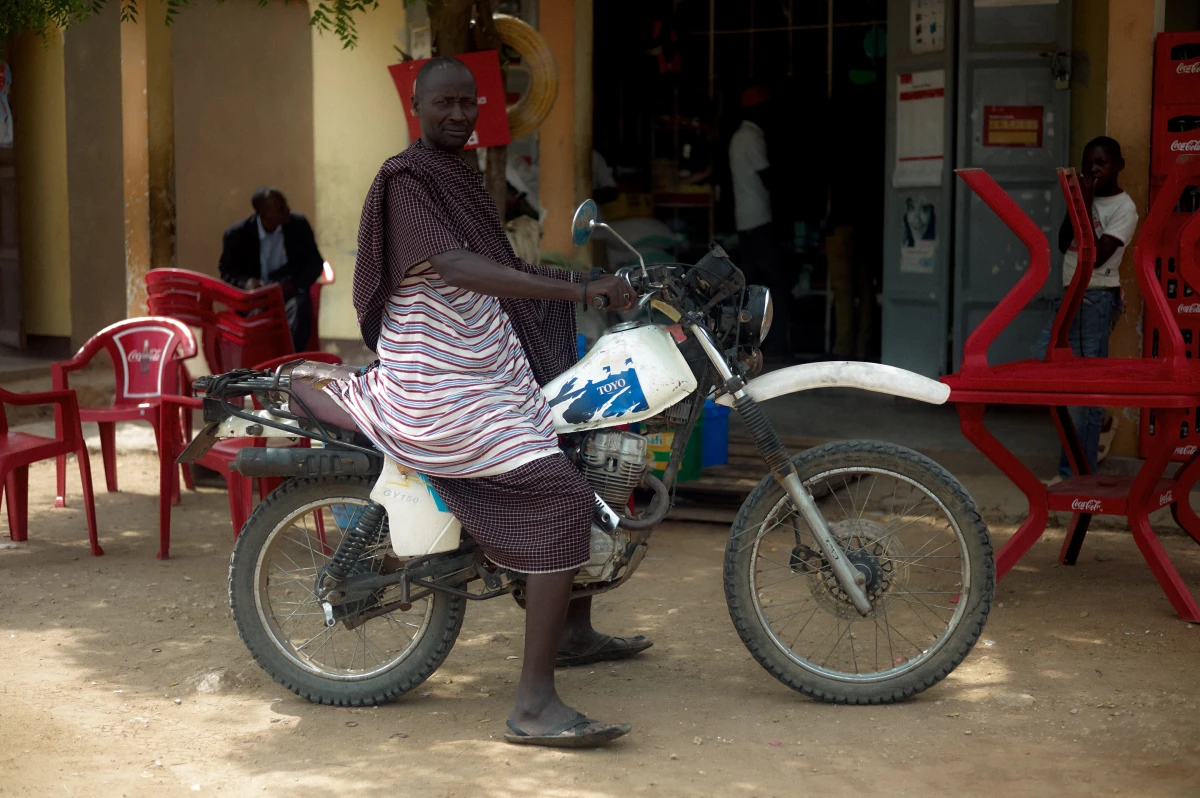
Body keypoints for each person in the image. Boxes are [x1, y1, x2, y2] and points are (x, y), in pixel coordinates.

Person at [325, 56, 646, 748]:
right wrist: (580, 293)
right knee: (562, 498)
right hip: (437, 381)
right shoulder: (406, 179)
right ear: (418, 106)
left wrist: (591, 279)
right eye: (444, 103)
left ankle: (575, 632)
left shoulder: (460, 177)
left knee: (583, 442)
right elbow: (457, 267)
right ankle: (532, 705)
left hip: (481, 366)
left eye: (468, 104)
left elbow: (508, 266)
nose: (458, 115)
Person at [1036, 136, 1138, 480]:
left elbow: (1097, 258)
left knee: (1083, 388)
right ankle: (1099, 425)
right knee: (1044, 362)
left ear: (1119, 166)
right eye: (1087, 163)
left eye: (1101, 163)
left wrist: (1087, 198)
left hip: (1095, 297)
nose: (1092, 169)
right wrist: (1077, 201)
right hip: (1072, 296)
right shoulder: (1083, 199)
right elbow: (1065, 241)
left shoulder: (1124, 209)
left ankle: (1075, 475)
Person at [218, 188, 324, 351]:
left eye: (285, 205)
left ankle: (289, 359)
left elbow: (315, 263)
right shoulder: (237, 234)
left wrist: (294, 284)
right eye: (280, 208)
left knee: (299, 307)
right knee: (254, 320)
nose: (287, 210)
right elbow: (226, 271)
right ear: (263, 213)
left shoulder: (298, 225)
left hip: (288, 294)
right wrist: (246, 283)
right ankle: (258, 362)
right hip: (255, 298)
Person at [729, 85, 789, 357]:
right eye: (768, 107)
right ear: (758, 109)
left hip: (746, 222)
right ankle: (774, 346)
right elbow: (770, 180)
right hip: (759, 222)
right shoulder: (752, 138)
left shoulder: (738, 138)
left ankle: (744, 347)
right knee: (775, 286)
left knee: (749, 290)